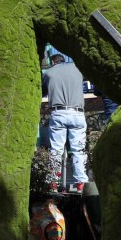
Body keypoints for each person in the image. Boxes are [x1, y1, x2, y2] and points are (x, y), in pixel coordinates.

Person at [43, 54, 88, 193]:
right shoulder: (78, 68)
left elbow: (43, 91)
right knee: (78, 149)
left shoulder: (48, 73)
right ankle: (80, 183)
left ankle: (53, 182)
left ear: (52, 62)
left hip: (58, 113)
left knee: (56, 149)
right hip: (77, 112)